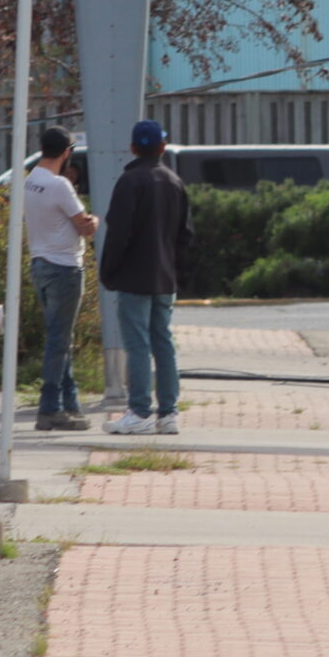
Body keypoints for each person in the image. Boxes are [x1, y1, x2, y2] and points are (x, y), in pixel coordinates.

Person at [99, 119, 193, 435]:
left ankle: (139, 412)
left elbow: (118, 234)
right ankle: (168, 414)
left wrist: (109, 270)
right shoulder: (174, 182)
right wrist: (171, 263)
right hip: (164, 277)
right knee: (163, 342)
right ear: (162, 147)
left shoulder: (129, 182)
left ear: (133, 148)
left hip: (133, 277)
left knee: (137, 344)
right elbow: (185, 236)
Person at [25, 127, 99, 432]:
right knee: (59, 340)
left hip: (39, 263)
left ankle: (70, 403)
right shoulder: (59, 186)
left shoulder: (31, 181)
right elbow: (85, 227)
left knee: (59, 336)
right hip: (64, 267)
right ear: (67, 152)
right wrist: (96, 219)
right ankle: (49, 408)